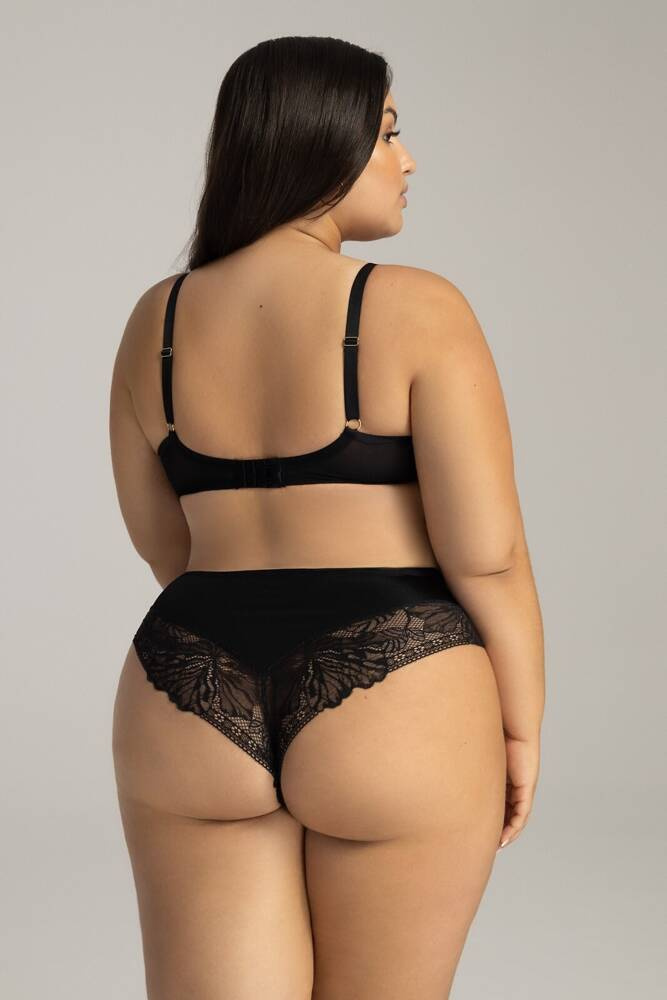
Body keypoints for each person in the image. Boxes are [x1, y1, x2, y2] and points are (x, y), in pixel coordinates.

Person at [109, 35, 544, 1000]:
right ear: (320, 140)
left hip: (188, 678)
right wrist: (519, 729)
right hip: (399, 680)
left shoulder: (157, 320)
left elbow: (165, 544)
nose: (407, 159)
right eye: (387, 132)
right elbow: (488, 556)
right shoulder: (419, 307)